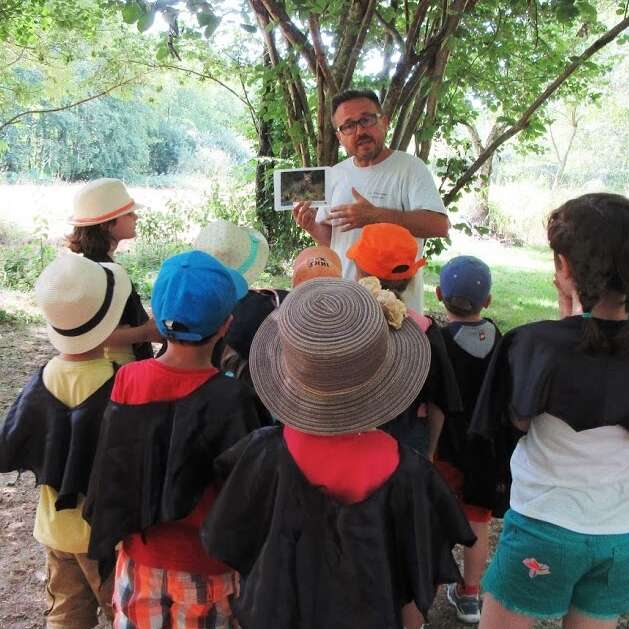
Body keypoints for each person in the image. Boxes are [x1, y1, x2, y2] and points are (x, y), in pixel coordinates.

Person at [201, 278, 476, 629]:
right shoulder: (409, 472)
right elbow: (415, 588)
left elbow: (236, 551)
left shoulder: (263, 454)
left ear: (293, 371)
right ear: (383, 373)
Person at [471, 193, 629, 629]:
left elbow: (516, 420)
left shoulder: (533, 344)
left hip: (545, 526)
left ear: (564, 266)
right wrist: (569, 315)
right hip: (620, 534)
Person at [83, 251, 261, 628]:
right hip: (209, 567)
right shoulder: (233, 399)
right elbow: (246, 496)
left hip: (139, 559)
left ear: (160, 322)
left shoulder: (129, 380)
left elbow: (115, 467)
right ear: (226, 325)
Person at [0, 253, 132, 628]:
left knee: (65, 617)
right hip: (109, 536)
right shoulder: (123, 382)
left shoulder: (42, 379)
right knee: (122, 612)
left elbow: (10, 443)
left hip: (55, 530)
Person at [292, 88, 449, 312]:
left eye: (366, 120)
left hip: (397, 310)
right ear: (339, 136)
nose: (360, 131)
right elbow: (336, 243)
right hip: (347, 305)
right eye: (348, 126)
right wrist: (311, 226)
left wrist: (377, 216)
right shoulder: (335, 174)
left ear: (384, 122)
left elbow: (439, 225)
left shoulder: (410, 168)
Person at [346, 223, 462, 458]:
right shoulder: (426, 330)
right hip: (407, 439)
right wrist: (429, 453)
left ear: (359, 272)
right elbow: (439, 401)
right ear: (410, 278)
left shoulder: (345, 325)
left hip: (351, 433)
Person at [430, 255, 501, 624]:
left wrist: (427, 451)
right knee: (478, 522)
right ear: (487, 301)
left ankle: (424, 593)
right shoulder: (502, 341)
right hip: (485, 454)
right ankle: (471, 595)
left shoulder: (437, 342)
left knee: (435, 520)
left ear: (440, 295)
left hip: (446, 450)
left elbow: (435, 403)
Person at [67, 178, 161, 363]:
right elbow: (93, 337)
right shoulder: (99, 273)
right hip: (115, 373)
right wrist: (146, 332)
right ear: (106, 224)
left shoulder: (94, 266)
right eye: (129, 214)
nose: (136, 217)